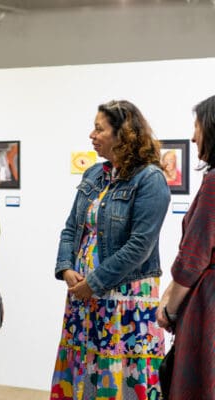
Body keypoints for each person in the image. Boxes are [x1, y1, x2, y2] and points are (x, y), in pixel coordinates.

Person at [50, 100, 171, 400]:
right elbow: (70, 229)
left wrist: (95, 282)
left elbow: (139, 247)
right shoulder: (93, 174)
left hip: (125, 301)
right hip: (84, 297)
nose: (91, 134)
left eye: (99, 128)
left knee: (122, 376)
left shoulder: (150, 179)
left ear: (123, 135)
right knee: (86, 370)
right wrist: (66, 269)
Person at [156, 95, 215, 399]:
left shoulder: (213, 183)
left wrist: (169, 307)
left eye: (197, 126)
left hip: (208, 307)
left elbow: (194, 258)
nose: (193, 136)